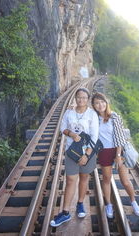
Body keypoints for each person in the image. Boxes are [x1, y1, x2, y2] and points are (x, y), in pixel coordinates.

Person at [50, 88, 99, 227]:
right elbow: (62, 128)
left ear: (87, 99)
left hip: (88, 152)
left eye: (84, 97)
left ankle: (80, 204)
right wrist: (71, 134)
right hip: (71, 151)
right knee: (71, 180)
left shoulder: (92, 114)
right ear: (75, 98)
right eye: (79, 97)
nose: (81, 100)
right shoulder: (69, 112)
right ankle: (65, 213)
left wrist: (87, 155)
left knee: (84, 178)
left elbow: (94, 136)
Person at [91, 92, 139, 218]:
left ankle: (133, 202)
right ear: (94, 105)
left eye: (102, 102)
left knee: (125, 181)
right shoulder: (93, 118)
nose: (100, 105)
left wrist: (118, 155)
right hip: (104, 152)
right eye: (97, 103)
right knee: (107, 179)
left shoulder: (114, 117)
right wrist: (72, 109)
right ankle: (108, 204)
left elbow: (119, 137)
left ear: (106, 102)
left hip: (118, 150)